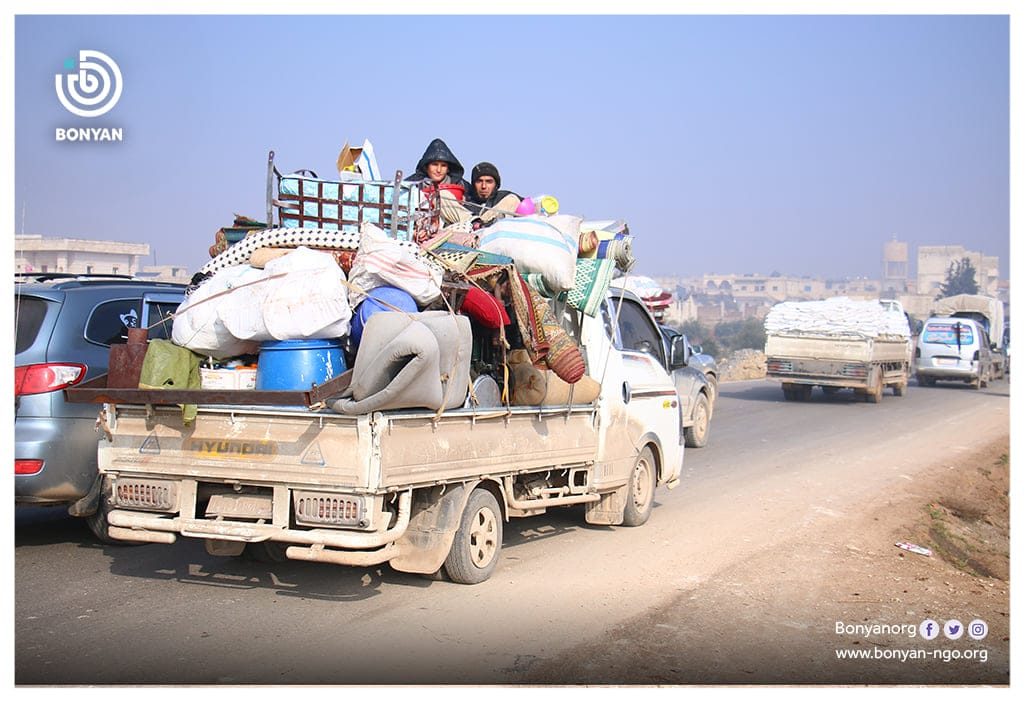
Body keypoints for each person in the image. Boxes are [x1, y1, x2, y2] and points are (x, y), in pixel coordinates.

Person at [407, 138, 473, 227]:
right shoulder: (413, 184)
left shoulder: (461, 184)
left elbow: (474, 206)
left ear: (448, 168)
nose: (438, 170)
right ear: (426, 167)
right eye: (434, 165)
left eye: (443, 166)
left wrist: (464, 203)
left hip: (458, 226)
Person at [465, 162, 522, 227]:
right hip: (471, 231)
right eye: (479, 181)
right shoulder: (467, 201)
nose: (484, 186)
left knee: (512, 200)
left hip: (497, 231)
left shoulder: (503, 197)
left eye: (489, 182)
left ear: (496, 184)